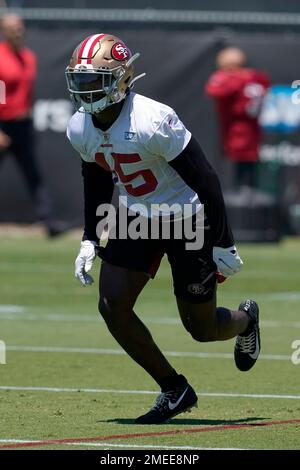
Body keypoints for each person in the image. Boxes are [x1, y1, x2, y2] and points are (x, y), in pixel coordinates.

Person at [66, 34, 261, 424]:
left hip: (186, 217)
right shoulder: (79, 127)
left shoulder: (152, 118)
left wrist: (223, 241)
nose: (87, 92)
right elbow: (98, 179)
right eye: (81, 81)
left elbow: (206, 180)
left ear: (121, 80)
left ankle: (246, 320)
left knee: (201, 329)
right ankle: (174, 389)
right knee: (112, 304)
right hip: (135, 215)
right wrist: (90, 236)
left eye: (96, 82)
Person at [0, 13, 67, 237]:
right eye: (13, 29)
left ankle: (49, 222)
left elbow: (29, 92)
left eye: (20, 28)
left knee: (33, 176)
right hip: (3, 125)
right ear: (4, 31)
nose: (18, 32)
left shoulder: (28, 57)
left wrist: (28, 115)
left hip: (22, 124)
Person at [205, 47, 270, 189]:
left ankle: (241, 192)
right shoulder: (255, 77)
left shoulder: (230, 78)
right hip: (249, 128)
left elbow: (213, 90)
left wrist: (233, 79)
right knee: (247, 163)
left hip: (237, 129)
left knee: (241, 164)